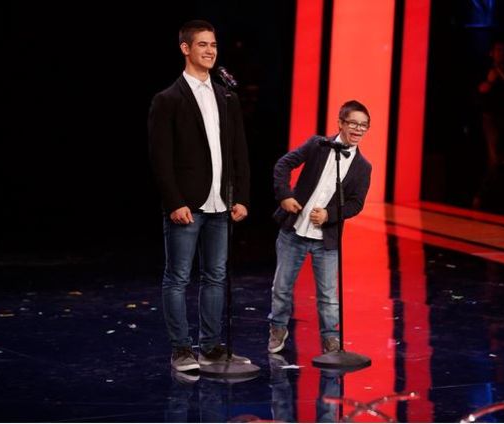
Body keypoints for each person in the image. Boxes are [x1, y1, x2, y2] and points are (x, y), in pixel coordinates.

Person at [148, 19, 251, 372]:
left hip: (221, 203)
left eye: (213, 45)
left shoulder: (227, 97)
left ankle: (210, 347)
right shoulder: (167, 99)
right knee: (178, 278)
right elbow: (161, 159)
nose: (210, 50)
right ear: (185, 48)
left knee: (216, 276)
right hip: (187, 205)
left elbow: (239, 152)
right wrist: (174, 201)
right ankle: (181, 349)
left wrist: (241, 196)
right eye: (203, 44)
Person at [267, 100, 373, 354]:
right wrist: (284, 195)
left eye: (364, 126)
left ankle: (330, 337)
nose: (358, 129)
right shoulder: (317, 145)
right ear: (340, 123)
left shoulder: (363, 166)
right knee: (281, 287)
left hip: (327, 239)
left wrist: (329, 214)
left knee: (328, 295)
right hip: (294, 232)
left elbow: (356, 204)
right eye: (353, 123)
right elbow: (283, 164)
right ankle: (278, 327)